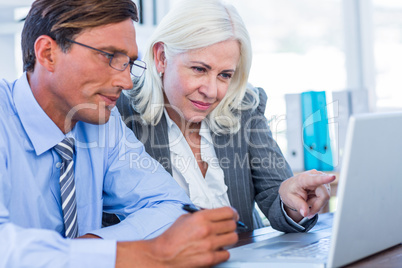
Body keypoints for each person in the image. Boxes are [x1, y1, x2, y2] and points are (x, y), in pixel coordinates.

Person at [0, 0, 239, 267]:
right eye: (110, 57)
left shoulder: (102, 121)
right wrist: (140, 254)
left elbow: (171, 205)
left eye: (129, 63)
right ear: (47, 53)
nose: (126, 82)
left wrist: (87, 250)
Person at [116, 0, 336, 232]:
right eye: (199, 69)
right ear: (161, 57)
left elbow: (276, 198)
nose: (212, 91)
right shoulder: (119, 111)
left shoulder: (244, 107)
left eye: (224, 75)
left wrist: (295, 202)